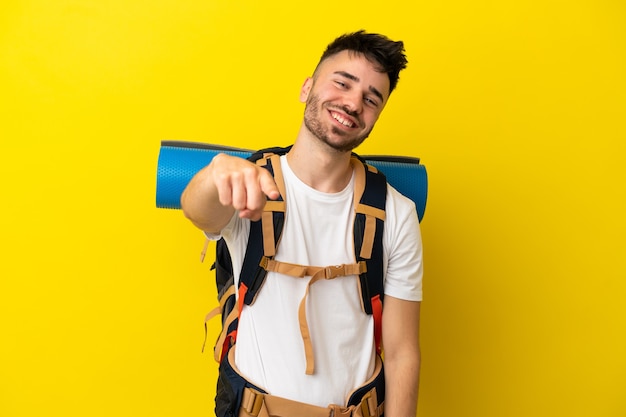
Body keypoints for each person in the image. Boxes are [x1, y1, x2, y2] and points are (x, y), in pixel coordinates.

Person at [181, 30, 423, 417]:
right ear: (307, 87)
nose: (352, 103)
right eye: (342, 83)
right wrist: (216, 172)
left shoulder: (395, 213)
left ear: (376, 117)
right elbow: (198, 211)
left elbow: (401, 353)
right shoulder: (251, 184)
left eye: (371, 99)